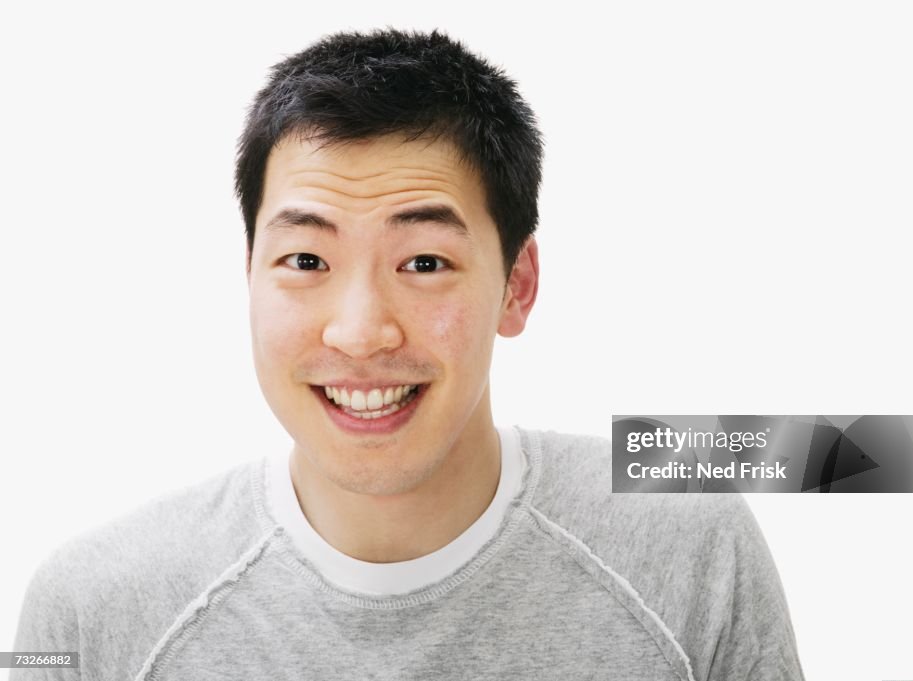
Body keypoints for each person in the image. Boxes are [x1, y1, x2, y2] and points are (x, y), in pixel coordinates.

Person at [12, 29, 803, 680]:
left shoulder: (691, 546)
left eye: (424, 262)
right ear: (248, 275)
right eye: (306, 262)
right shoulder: (92, 608)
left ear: (517, 286)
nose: (360, 332)